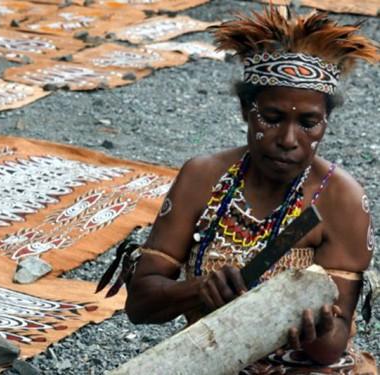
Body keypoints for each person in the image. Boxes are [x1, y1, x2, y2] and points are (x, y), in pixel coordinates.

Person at [123, 6, 378, 373]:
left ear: (325, 123)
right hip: (211, 360)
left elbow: (332, 345)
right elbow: (141, 305)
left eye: (308, 123)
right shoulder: (202, 178)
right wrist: (197, 290)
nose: (289, 140)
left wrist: (315, 330)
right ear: (246, 110)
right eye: (272, 119)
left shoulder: (342, 199)